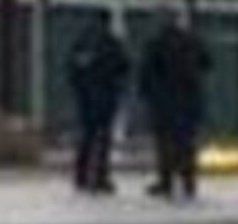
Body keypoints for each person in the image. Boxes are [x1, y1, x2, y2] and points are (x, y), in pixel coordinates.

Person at [138, 12, 212, 202]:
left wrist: (147, 96)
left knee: (165, 144)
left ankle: (166, 182)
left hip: (164, 104)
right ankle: (189, 182)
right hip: (189, 102)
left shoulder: (156, 43)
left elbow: (146, 73)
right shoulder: (192, 41)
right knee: (187, 144)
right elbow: (208, 63)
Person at [65, 13, 131, 197]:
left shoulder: (82, 42)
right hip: (106, 99)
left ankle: (81, 177)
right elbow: (124, 68)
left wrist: (79, 90)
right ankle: (100, 177)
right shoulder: (112, 43)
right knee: (102, 140)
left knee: (86, 137)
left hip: (86, 99)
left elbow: (72, 69)